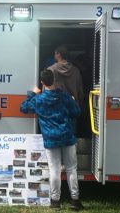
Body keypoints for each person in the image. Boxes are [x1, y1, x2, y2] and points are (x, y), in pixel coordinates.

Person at [20, 69, 84, 211]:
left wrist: (32, 94)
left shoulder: (39, 99)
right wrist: (73, 102)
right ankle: (75, 200)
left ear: (42, 83)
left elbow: (23, 108)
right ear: (54, 79)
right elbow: (76, 113)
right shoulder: (65, 97)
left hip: (51, 139)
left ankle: (55, 202)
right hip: (67, 136)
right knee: (71, 169)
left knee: (54, 170)